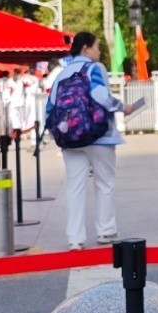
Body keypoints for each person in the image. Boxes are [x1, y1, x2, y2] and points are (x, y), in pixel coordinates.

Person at [46, 31, 123, 250]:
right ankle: (106, 231)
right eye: (97, 47)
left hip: (70, 138)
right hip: (99, 136)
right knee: (105, 183)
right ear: (86, 49)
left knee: (75, 187)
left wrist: (60, 132)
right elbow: (100, 95)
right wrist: (121, 107)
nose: (99, 51)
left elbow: (50, 107)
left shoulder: (62, 73)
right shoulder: (93, 68)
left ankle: (75, 239)